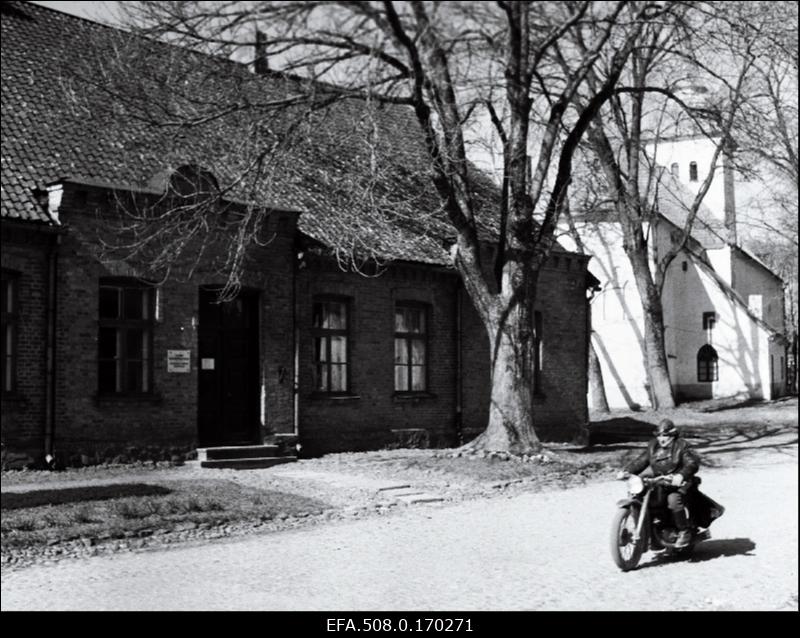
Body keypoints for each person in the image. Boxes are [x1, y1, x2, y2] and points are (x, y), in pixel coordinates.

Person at [617, 418, 699, 547]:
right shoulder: (653, 446)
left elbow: (691, 463)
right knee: (642, 497)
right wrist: (627, 471)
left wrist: (681, 475)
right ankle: (650, 531)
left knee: (673, 500)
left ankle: (684, 531)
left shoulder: (682, 445)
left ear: (672, 435)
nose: (661, 438)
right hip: (659, 481)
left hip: (680, 483)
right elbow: (641, 461)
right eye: (659, 435)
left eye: (665, 435)